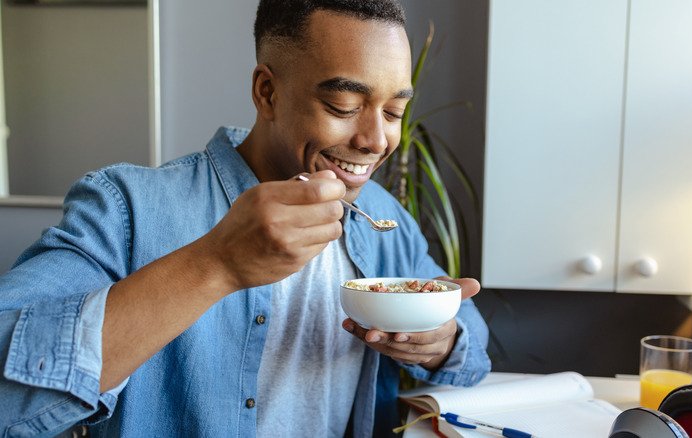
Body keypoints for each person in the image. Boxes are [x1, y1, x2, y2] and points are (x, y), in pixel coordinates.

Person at [0, 0, 491, 436]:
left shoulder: (383, 217)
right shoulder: (129, 207)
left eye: (392, 113)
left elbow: (467, 329)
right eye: (343, 105)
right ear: (267, 92)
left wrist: (440, 340)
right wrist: (215, 264)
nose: (375, 140)